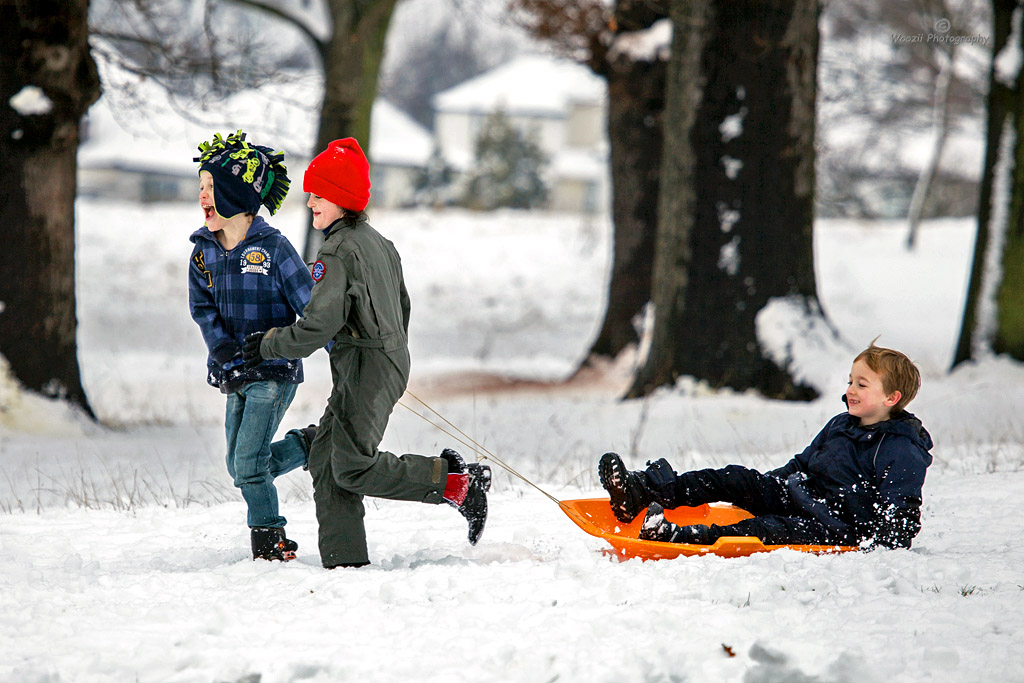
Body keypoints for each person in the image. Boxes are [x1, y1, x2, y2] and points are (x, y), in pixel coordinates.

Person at [241, 138, 490, 569]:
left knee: (353, 465)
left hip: (367, 366)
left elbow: (318, 326)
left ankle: (454, 484)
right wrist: (386, 352)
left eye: (318, 195)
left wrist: (267, 345)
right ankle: (345, 561)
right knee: (326, 458)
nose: (310, 202)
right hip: (386, 358)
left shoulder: (336, 252)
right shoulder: (379, 242)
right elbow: (403, 305)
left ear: (341, 198)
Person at [599, 342, 933, 550]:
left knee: (762, 530)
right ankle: (641, 492)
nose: (850, 390)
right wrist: (765, 487)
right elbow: (803, 464)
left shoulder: (900, 448)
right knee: (734, 477)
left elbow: (900, 506)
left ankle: (679, 537)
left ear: (891, 398)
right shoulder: (841, 424)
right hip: (799, 497)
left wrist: (885, 541)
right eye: (850, 381)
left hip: (835, 526)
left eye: (862, 384)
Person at [188, 130, 314, 562]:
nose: (202, 195)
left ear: (234, 195)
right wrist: (220, 348)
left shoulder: (275, 249)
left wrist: (343, 351)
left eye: (210, 187)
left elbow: (311, 308)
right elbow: (201, 307)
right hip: (234, 371)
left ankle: (270, 539)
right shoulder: (203, 252)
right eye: (200, 187)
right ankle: (310, 445)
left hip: (275, 370)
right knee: (239, 466)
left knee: (248, 464)